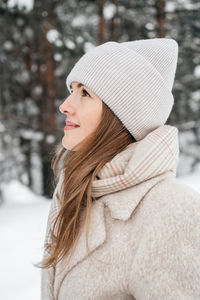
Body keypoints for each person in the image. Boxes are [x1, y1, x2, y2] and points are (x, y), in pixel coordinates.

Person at [39, 38, 200, 300]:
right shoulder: (74, 194)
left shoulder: (174, 212)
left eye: (85, 93)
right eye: (72, 89)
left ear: (122, 114)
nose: (65, 105)